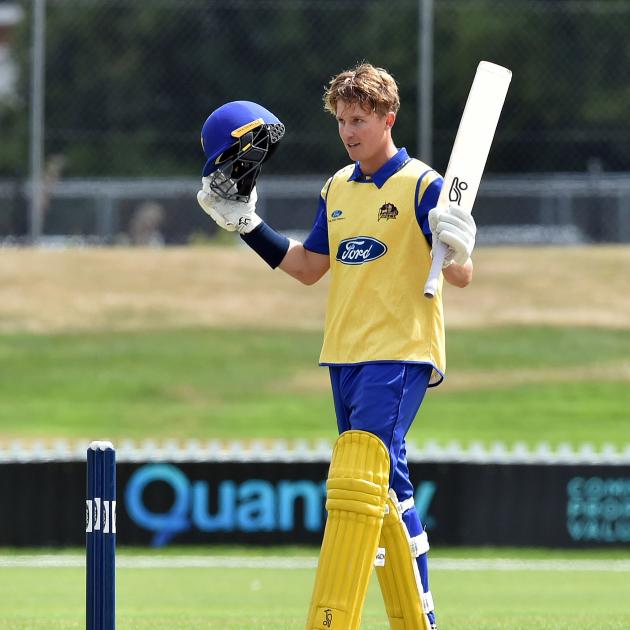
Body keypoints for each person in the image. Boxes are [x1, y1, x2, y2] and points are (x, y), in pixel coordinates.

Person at [197, 64, 476, 630]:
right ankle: (417, 617)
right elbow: (307, 268)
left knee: (365, 470)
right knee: (384, 482)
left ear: (387, 119)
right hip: (344, 353)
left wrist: (461, 242)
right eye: (342, 121)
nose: (350, 132)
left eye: (360, 120)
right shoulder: (337, 187)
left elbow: (461, 274)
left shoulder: (423, 184)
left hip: (401, 350)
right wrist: (248, 225)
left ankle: (350, 615)